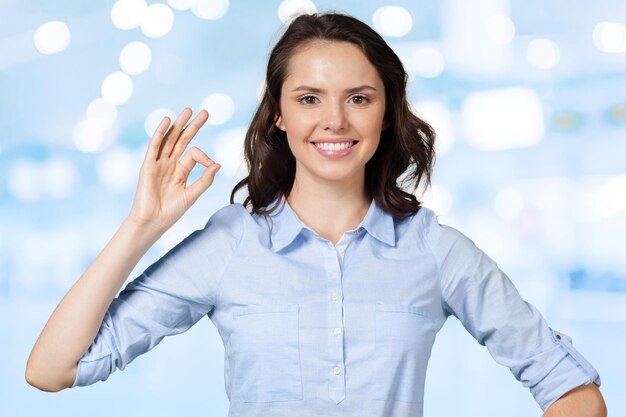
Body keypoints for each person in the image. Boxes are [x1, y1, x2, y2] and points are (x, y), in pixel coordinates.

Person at [26, 12, 606, 417]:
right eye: (309, 99)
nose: (335, 121)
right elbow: (51, 370)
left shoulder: (435, 249)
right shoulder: (228, 245)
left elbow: (574, 390)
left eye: (359, 97)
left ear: (386, 113)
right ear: (278, 115)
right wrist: (141, 228)